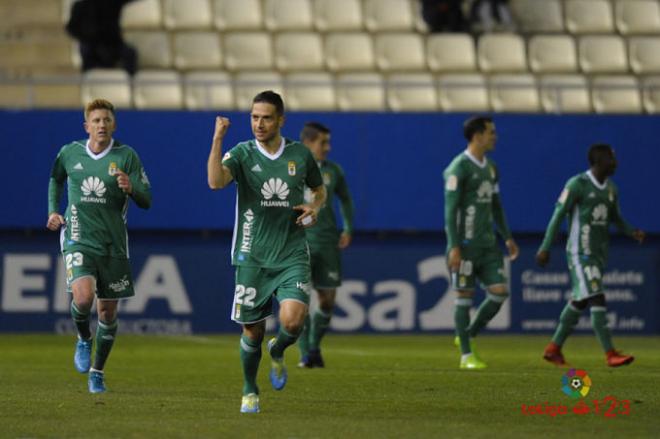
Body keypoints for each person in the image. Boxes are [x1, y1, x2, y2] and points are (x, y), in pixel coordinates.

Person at [207, 91, 327, 414]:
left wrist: (314, 208)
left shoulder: (300, 155)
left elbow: (319, 189)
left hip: (291, 252)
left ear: (281, 120)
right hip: (252, 255)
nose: (259, 124)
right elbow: (216, 182)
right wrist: (218, 138)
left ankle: (279, 348)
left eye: (266, 118)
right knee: (252, 330)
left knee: (293, 321)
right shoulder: (242, 153)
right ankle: (250, 389)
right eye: (254, 117)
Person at [47, 98, 152, 393]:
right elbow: (55, 179)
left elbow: (147, 199)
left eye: (106, 120)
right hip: (78, 236)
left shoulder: (127, 156)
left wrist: (132, 188)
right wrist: (53, 211)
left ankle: (97, 371)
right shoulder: (70, 153)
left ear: (114, 124)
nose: (101, 125)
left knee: (107, 313)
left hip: (114, 244)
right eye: (96, 121)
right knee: (82, 298)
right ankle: (83, 337)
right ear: (87, 126)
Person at [537, 144, 645, 368]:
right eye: (611, 158)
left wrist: (631, 231)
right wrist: (545, 246)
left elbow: (615, 218)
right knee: (597, 296)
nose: (615, 163)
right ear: (599, 160)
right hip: (579, 252)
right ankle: (610, 353)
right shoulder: (577, 184)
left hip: (597, 254)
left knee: (580, 301)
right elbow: (558, 216)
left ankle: (554, 348)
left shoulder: (611, 189)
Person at [443, 116, 519, 370]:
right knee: (464, 296)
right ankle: (466, 356)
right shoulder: (459, 168)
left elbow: (497, 206)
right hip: (464, 246)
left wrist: (507, 236)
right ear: (477, 136)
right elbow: (450, 211)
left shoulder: (492, 168)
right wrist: (454, 245)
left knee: (500, 293)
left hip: (488, 246)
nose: (495, 137)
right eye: (491, 132)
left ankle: (467, 333)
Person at [296, 122, 354, 369]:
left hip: (328, 242)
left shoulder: (334, 171)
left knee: (328, 300)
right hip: (299, 242)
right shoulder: (292, 168)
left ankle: (314, 346)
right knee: (299, 300)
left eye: (328, 142)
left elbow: (346, 200)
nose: (327, 148)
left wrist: (348, 228)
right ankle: (306, 354)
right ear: (308, 143)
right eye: (323, 142)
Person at [66, 0, 138, 75]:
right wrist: (85, 37)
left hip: (114, 46)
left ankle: (130, 82)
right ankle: (87, 80)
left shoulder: (113, 2)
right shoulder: (80, 6)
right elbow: (71, 28)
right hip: (92, 47)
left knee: (130, 53)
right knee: (85, 50)